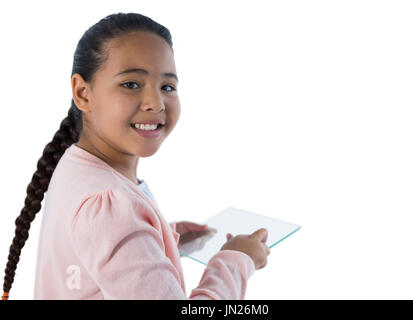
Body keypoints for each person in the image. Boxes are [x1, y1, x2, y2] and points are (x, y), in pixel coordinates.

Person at [1, 12, 270, 300]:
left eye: (167, 86)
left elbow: (95, 251)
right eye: (131, 84)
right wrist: (235, 261)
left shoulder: (73, 166)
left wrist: (163, 237)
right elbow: (109, 227)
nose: (155, 103)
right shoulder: (111, 207)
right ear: (83, 93)